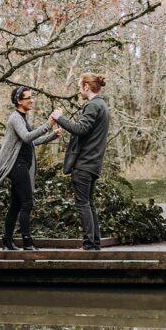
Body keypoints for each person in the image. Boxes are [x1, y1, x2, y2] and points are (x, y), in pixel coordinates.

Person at [0, 86, 61, 250]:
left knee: (16, 205)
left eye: (32, 97)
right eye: (28, 97)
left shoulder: (22, 118)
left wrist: (52, 135)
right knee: (26, 203)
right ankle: (27, 242)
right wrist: (48, 124)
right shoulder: (15, 118)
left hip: (22, 165)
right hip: (17, 165)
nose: (32, 100)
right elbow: (27, 136)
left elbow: (30, 142)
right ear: (18, 100)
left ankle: (7, 241)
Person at [49, 74, 110, 251]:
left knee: (83, 204)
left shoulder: (92, 105)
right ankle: (94, 243)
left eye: (79, 86)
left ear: (86, 86)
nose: (78, 90)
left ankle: (89, 245)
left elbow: (81, 129)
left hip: (84, 164)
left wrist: (60, 117)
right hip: (94, 164)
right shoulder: (102, 105)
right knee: (89, 203)